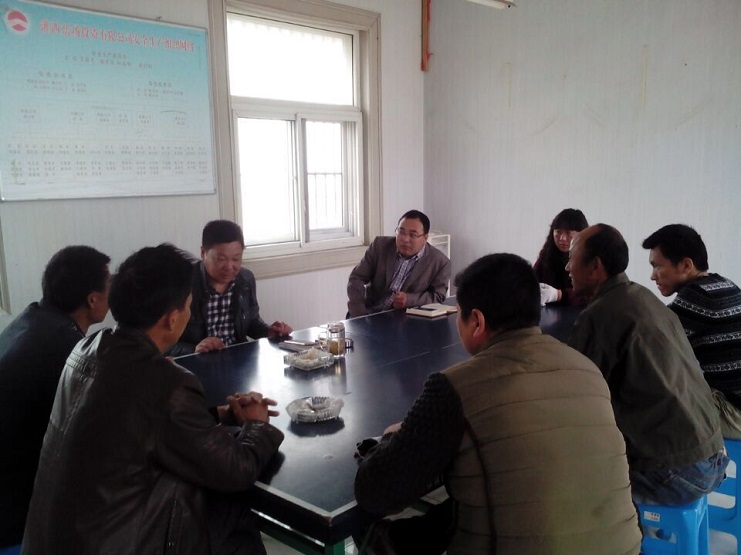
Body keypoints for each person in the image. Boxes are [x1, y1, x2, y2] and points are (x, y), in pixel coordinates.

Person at [354, 253, 641, 554]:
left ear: (477, 321)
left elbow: (375, 492)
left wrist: (393, 438)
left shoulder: (455, 387)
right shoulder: (587, 369)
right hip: (624, 547)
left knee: (376, 533)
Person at [23, 244, 284, 554]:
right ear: (172, 319)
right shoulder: (167, 383)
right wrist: (257, 425)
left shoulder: (88, 347)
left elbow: (142, 422)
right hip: (113, 543)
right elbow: (237, 470)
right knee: (232, 508)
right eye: (188, 306)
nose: (189, 313)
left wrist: (218, 414)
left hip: (55, 539)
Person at [566, 223, 728, 506]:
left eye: (572, 258)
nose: (567, 267)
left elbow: (577, 400)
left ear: (595, 266)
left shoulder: (600, 315)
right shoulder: (642, 297)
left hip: (680, 472)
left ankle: (630, 530)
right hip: (713, 454)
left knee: (568, 472)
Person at [0, 245, 110, 549]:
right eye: (109, 285)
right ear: (92, 299)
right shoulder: (66, 347)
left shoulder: (31, 318)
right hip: (16, 512)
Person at [642, 223, 741, 439]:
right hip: (734, 403)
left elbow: (650, 343)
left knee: (643, 398)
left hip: (731, 410)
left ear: (686, 265)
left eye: (657, 266)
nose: (652, 276)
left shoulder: (697, 296)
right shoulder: (724, 284)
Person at [168, 219, 292, 355]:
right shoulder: (183, 283)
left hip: (239, 358)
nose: (229, 267)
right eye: (221, 259)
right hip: (199, 362)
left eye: (236, 259)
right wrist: (194, 350)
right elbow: (163, 344)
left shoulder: (245, 279)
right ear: (203, 253)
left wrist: (270, 331)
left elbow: (252, 323)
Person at [347, 210, 451, 317]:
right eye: (401, 232)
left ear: (425, 238)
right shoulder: (380, 246)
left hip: (403, 319)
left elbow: (438, 296)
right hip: (367, 314)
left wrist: (409, 300)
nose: (405, 239)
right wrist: (359, 312)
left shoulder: (440, 263)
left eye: (413, 235)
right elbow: (356, 278)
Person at [534, 208, 589, 306]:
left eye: (568, 233)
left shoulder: (590, 259)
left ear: (581, 234)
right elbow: (532, 280)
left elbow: (592, 293)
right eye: (558, 232)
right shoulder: (546, 255)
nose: (562, 238)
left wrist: (559, 295)